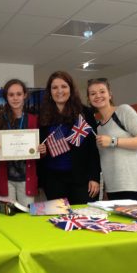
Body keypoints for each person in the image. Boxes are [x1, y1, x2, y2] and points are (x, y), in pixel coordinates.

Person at [39, 71, 100, 204]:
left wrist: (94, 177)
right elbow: (38, 146)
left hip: (81, 179)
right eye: (54, 87)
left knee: (81, 219)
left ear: (71, 89)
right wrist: (41, 151)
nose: (59, 91)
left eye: (64, 86)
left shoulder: (85, 113)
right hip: (53, 179)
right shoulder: (42, 115)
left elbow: (93, 149)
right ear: (49, 92)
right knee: (57, 220)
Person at [87, 77, 137, 200]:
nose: (98, 96)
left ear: (110, 94)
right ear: (89, 99)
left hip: (136, 187)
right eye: (93, 93)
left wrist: (113, 141)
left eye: (102, 91)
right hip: (114, 189)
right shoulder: (98, 127)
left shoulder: (123, 111)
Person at [0, 79, 46, 207]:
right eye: (11, 95)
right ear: (6, 97)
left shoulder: (34, 120)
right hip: (5, 179)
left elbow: (40, 153)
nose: (15, 98)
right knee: (7, 219)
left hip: (27, 179)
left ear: (25, 95)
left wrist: (42, 150)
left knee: (26, 218)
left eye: (19, 94)